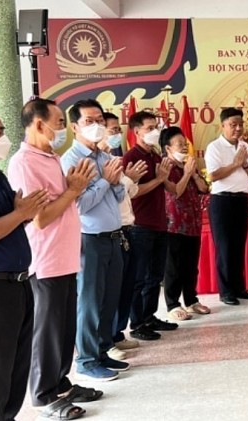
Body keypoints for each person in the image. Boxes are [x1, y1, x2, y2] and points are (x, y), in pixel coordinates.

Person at [7, 98, 103, 416]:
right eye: (60, 122)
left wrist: (75, 188)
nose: (63, 129)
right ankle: (43, 395)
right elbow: (41, 218)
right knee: (47, 331)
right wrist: (74, 190)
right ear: (38, 124)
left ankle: (61, 382)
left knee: (64, 328)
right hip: (45, 259)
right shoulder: (24, 163)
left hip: (66, 257)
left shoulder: (51, 158)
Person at [0, 108, 48, 420]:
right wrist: (20, 213)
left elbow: (10, 224)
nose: (3, 138)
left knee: (15, 367)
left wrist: (23, 212)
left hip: (18, 281)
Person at [60, 99, 129, 381]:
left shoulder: (104, 156)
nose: (97, 126)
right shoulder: (72, 161)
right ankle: (86, 360)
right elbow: (80, 206)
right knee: (89, 302)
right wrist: (105, 182)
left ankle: (102, 351)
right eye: (90, 121)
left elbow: (119, 196)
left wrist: (115, 183)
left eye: (100, 120)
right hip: (89, 238)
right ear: (75, 127)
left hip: (114, 236)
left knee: (108, 299)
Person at [123, 111, 178, 341]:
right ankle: (137, 323)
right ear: (136, 132)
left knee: (155, 276)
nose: (155, 131)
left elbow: (169, 188)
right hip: (141, 225)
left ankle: (149, 316)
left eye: (156, 127)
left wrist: (165, 177)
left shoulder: (155, 155)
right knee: (140, 277)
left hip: (159, 223)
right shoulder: (132, 158)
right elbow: (132, 194)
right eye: (149, 128)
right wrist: (158, 179)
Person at [100, 112, 147, 360]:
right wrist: (127, 179)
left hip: (128, 227)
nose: (117, 134)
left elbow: (129, 193)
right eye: (111, 129)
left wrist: (130, 179)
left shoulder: (115, 158)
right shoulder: (97, 163)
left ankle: (117, 333)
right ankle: (105, 341)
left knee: (126, 285)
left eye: (118, 129)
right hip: (108, 232)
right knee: (109, 291)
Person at [205, 107, 248, 305]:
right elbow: (213, 175)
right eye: (232, 125)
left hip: (241, 200)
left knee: (238, 245)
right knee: (225, 247)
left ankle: (239, 288)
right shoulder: (214, 147)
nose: (237, 129)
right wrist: (236, 164)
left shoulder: (245, 146)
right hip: (222, 201)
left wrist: (244, 164)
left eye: (240, 124)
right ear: (223, 126)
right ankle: (225, 292)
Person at [159, 126, 210, 321]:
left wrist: (194, 173)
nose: (184, 148)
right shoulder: (166, 167)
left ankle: (191, 300)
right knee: (173, 266)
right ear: (168, 148)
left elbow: (204, 189)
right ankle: (173, 305)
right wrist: (187, 173)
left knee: (191, 265)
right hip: (173, 224)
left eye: (185, 144)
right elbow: (175, 192)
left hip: (193, 223)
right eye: (179, 144)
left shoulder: (188, 166)